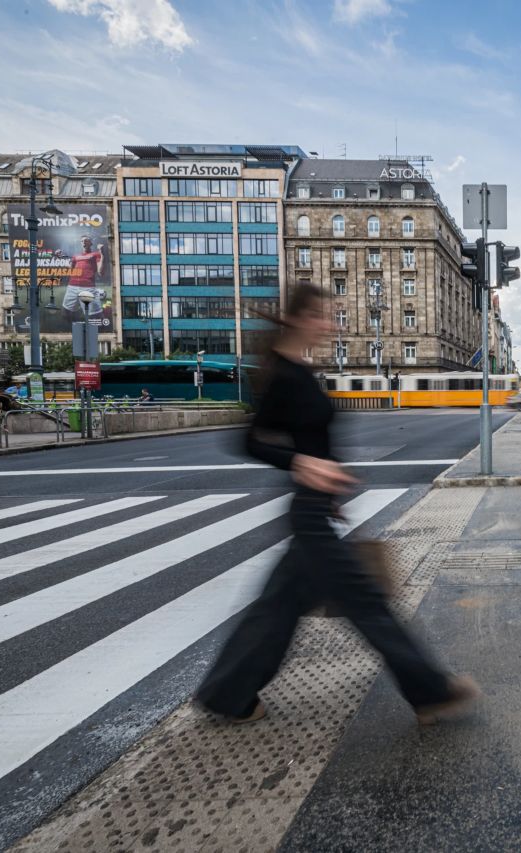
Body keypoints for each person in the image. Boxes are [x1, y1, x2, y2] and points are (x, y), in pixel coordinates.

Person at [194, 284, 478, 725]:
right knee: (367, 602)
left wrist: (330, 487)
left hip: (314, 509)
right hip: (307, 513)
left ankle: (228, 695)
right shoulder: (284, 374)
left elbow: (316, 438)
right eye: (322, 316)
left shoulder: (303, 370)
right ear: (299, 319)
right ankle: (430, 691)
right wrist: (301, 463)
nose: (330, 325)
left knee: (276, 610)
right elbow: (248, 440)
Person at [61, 235, 107, 321]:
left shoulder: (96, 254)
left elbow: (101, 272)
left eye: (86, 240)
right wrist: (60, 257)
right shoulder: (75, 256)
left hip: (88, 288)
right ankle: (78, 328)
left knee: (96, 317)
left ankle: (97, 332)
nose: (84, 242)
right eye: (82, 241)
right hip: (72, 287)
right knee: (65, 313)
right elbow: (70, 270)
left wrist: (102, 254)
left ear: (91, 243)